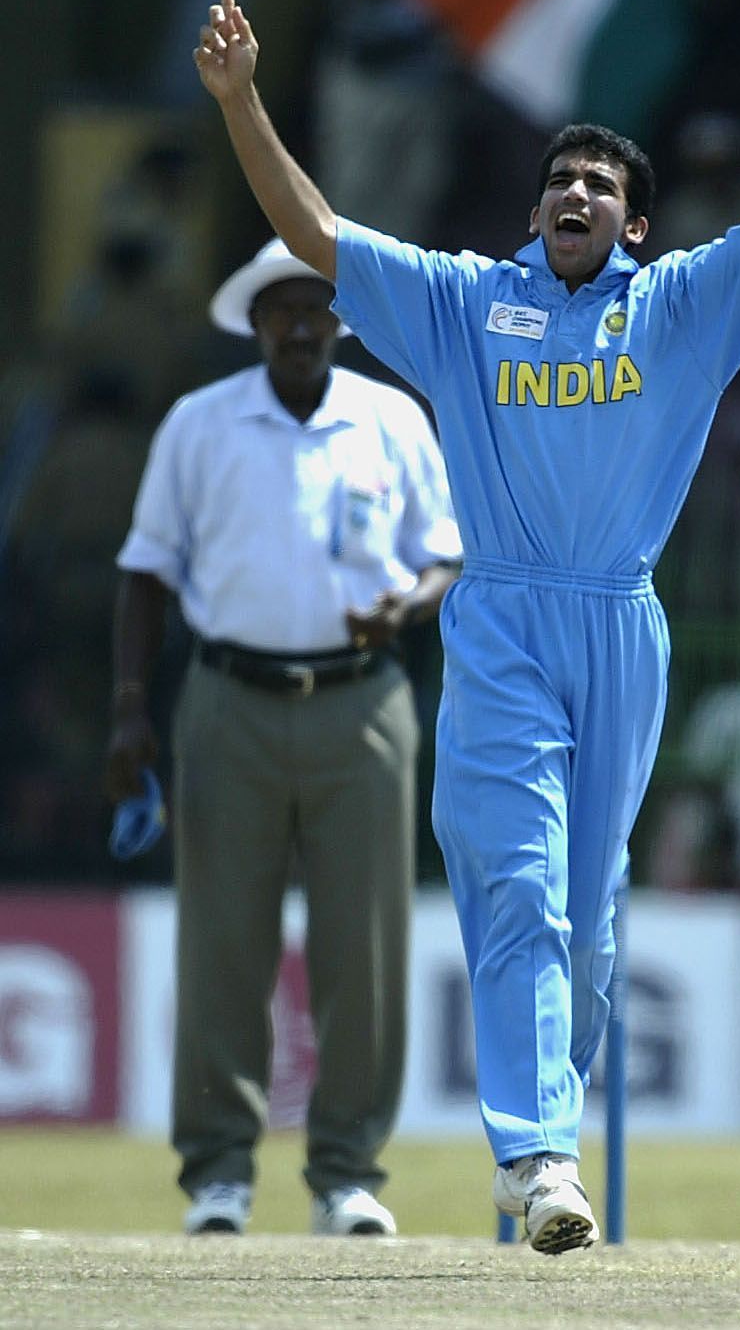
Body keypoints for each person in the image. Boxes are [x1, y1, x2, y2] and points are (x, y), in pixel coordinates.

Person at [192, 0, 740, 1253]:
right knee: (521, 888)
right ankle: (539, 1154)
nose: (574, 191)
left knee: (588, 931)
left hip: (622, 628)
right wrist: (244, 100)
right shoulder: (471, 305)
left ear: (634, 222)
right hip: (502, 626)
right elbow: (316, 237)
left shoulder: (685, 306)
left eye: (598, 183)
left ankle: (539, 1151)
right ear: (536, 216)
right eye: (558, 181)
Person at [105, 239, 462, 1237]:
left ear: (340, 323)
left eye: (316, 309)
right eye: (281, 310)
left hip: (362, 700)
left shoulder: (389, 419)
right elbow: (145, 569)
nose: (300, 325)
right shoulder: (201, 424)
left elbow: (443, 556)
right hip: (228, 696)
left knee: (366, 945)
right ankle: (219, 1172)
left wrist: (406, 607)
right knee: (224, 940)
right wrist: (131, 705)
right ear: (254, 324)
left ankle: (346, 1174)